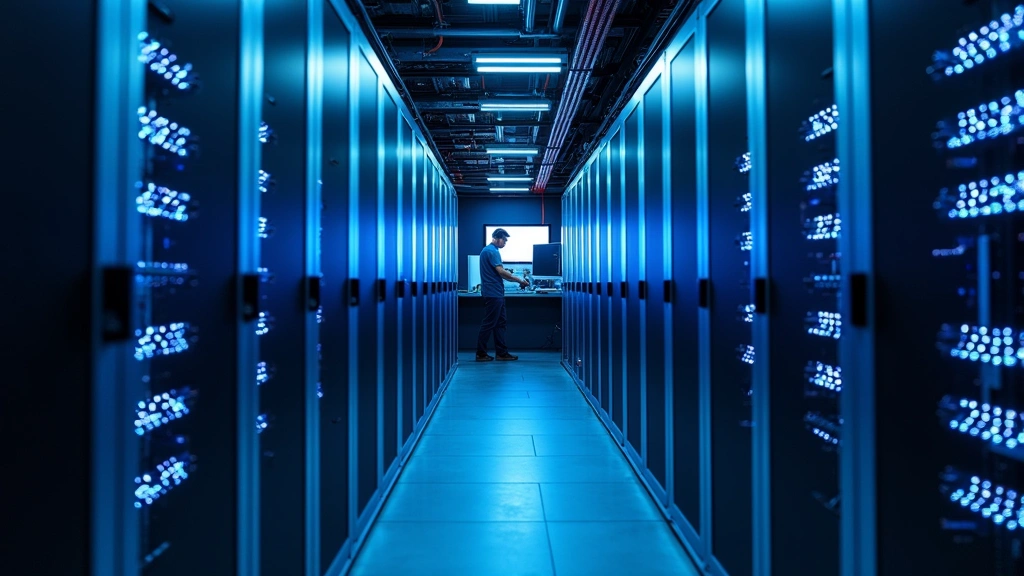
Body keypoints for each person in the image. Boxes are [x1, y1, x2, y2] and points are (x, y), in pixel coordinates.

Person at [476, 228, 528, 361]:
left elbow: (502, 274)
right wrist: (519, 280)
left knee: (500, 323)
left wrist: (516, 280)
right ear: (496, 238)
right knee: (489, 323)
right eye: (504, 240)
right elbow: (501, 272)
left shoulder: (488, 251)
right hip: (493, 294)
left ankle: (501, 353)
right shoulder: (492, 251)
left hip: (496, 293)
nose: (505, 243)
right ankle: (481, 354)